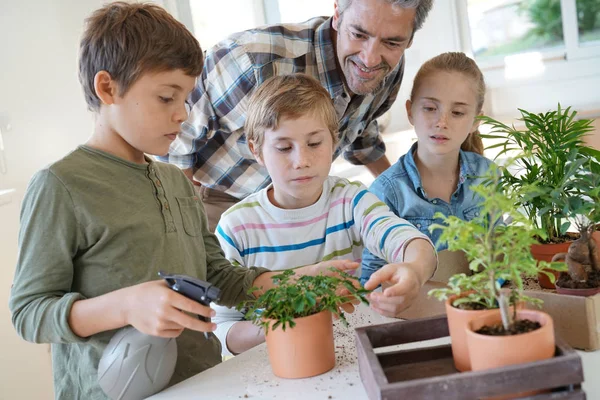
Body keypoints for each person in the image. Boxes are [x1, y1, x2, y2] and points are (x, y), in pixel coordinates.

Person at [7, 4, 357, 398]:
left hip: (202, 382)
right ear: (107, 88)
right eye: (166, 97)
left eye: (187, 98)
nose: (182, 115)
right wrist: (125, 306)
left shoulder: (176, 180)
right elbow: (29, 312)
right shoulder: (60, 185)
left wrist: (295, 281)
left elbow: (219, 279)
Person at [212, 73, 438, 356]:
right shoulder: (236, 227)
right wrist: (283, 325)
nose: (302, 161)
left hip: (341, 353)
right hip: (269, 363)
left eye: (315, 143)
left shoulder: (350, 201)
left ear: (334, 141)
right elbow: (220, 332)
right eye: (284, 147)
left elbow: (405, 238)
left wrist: (414, 271)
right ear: (256, 150)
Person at [160, 0, 435, 231]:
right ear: (338, 14)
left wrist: (405, 195)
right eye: (359, 35)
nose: (370, 59)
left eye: (391, 42)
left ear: (409, 39)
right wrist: (187, 223)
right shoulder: (251, 61)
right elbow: (173, 143)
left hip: (299, 203)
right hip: (221, 200)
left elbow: (362, 137)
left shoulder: (386, 71)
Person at [360, 52, 494, 285]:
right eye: (430, 108)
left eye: (457, 112)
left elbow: (500, 252)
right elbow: (371, 281)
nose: (442, 122)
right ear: (410, 111)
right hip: (417, 314)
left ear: (475, 121)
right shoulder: (385, 192)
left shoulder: (487, 175)